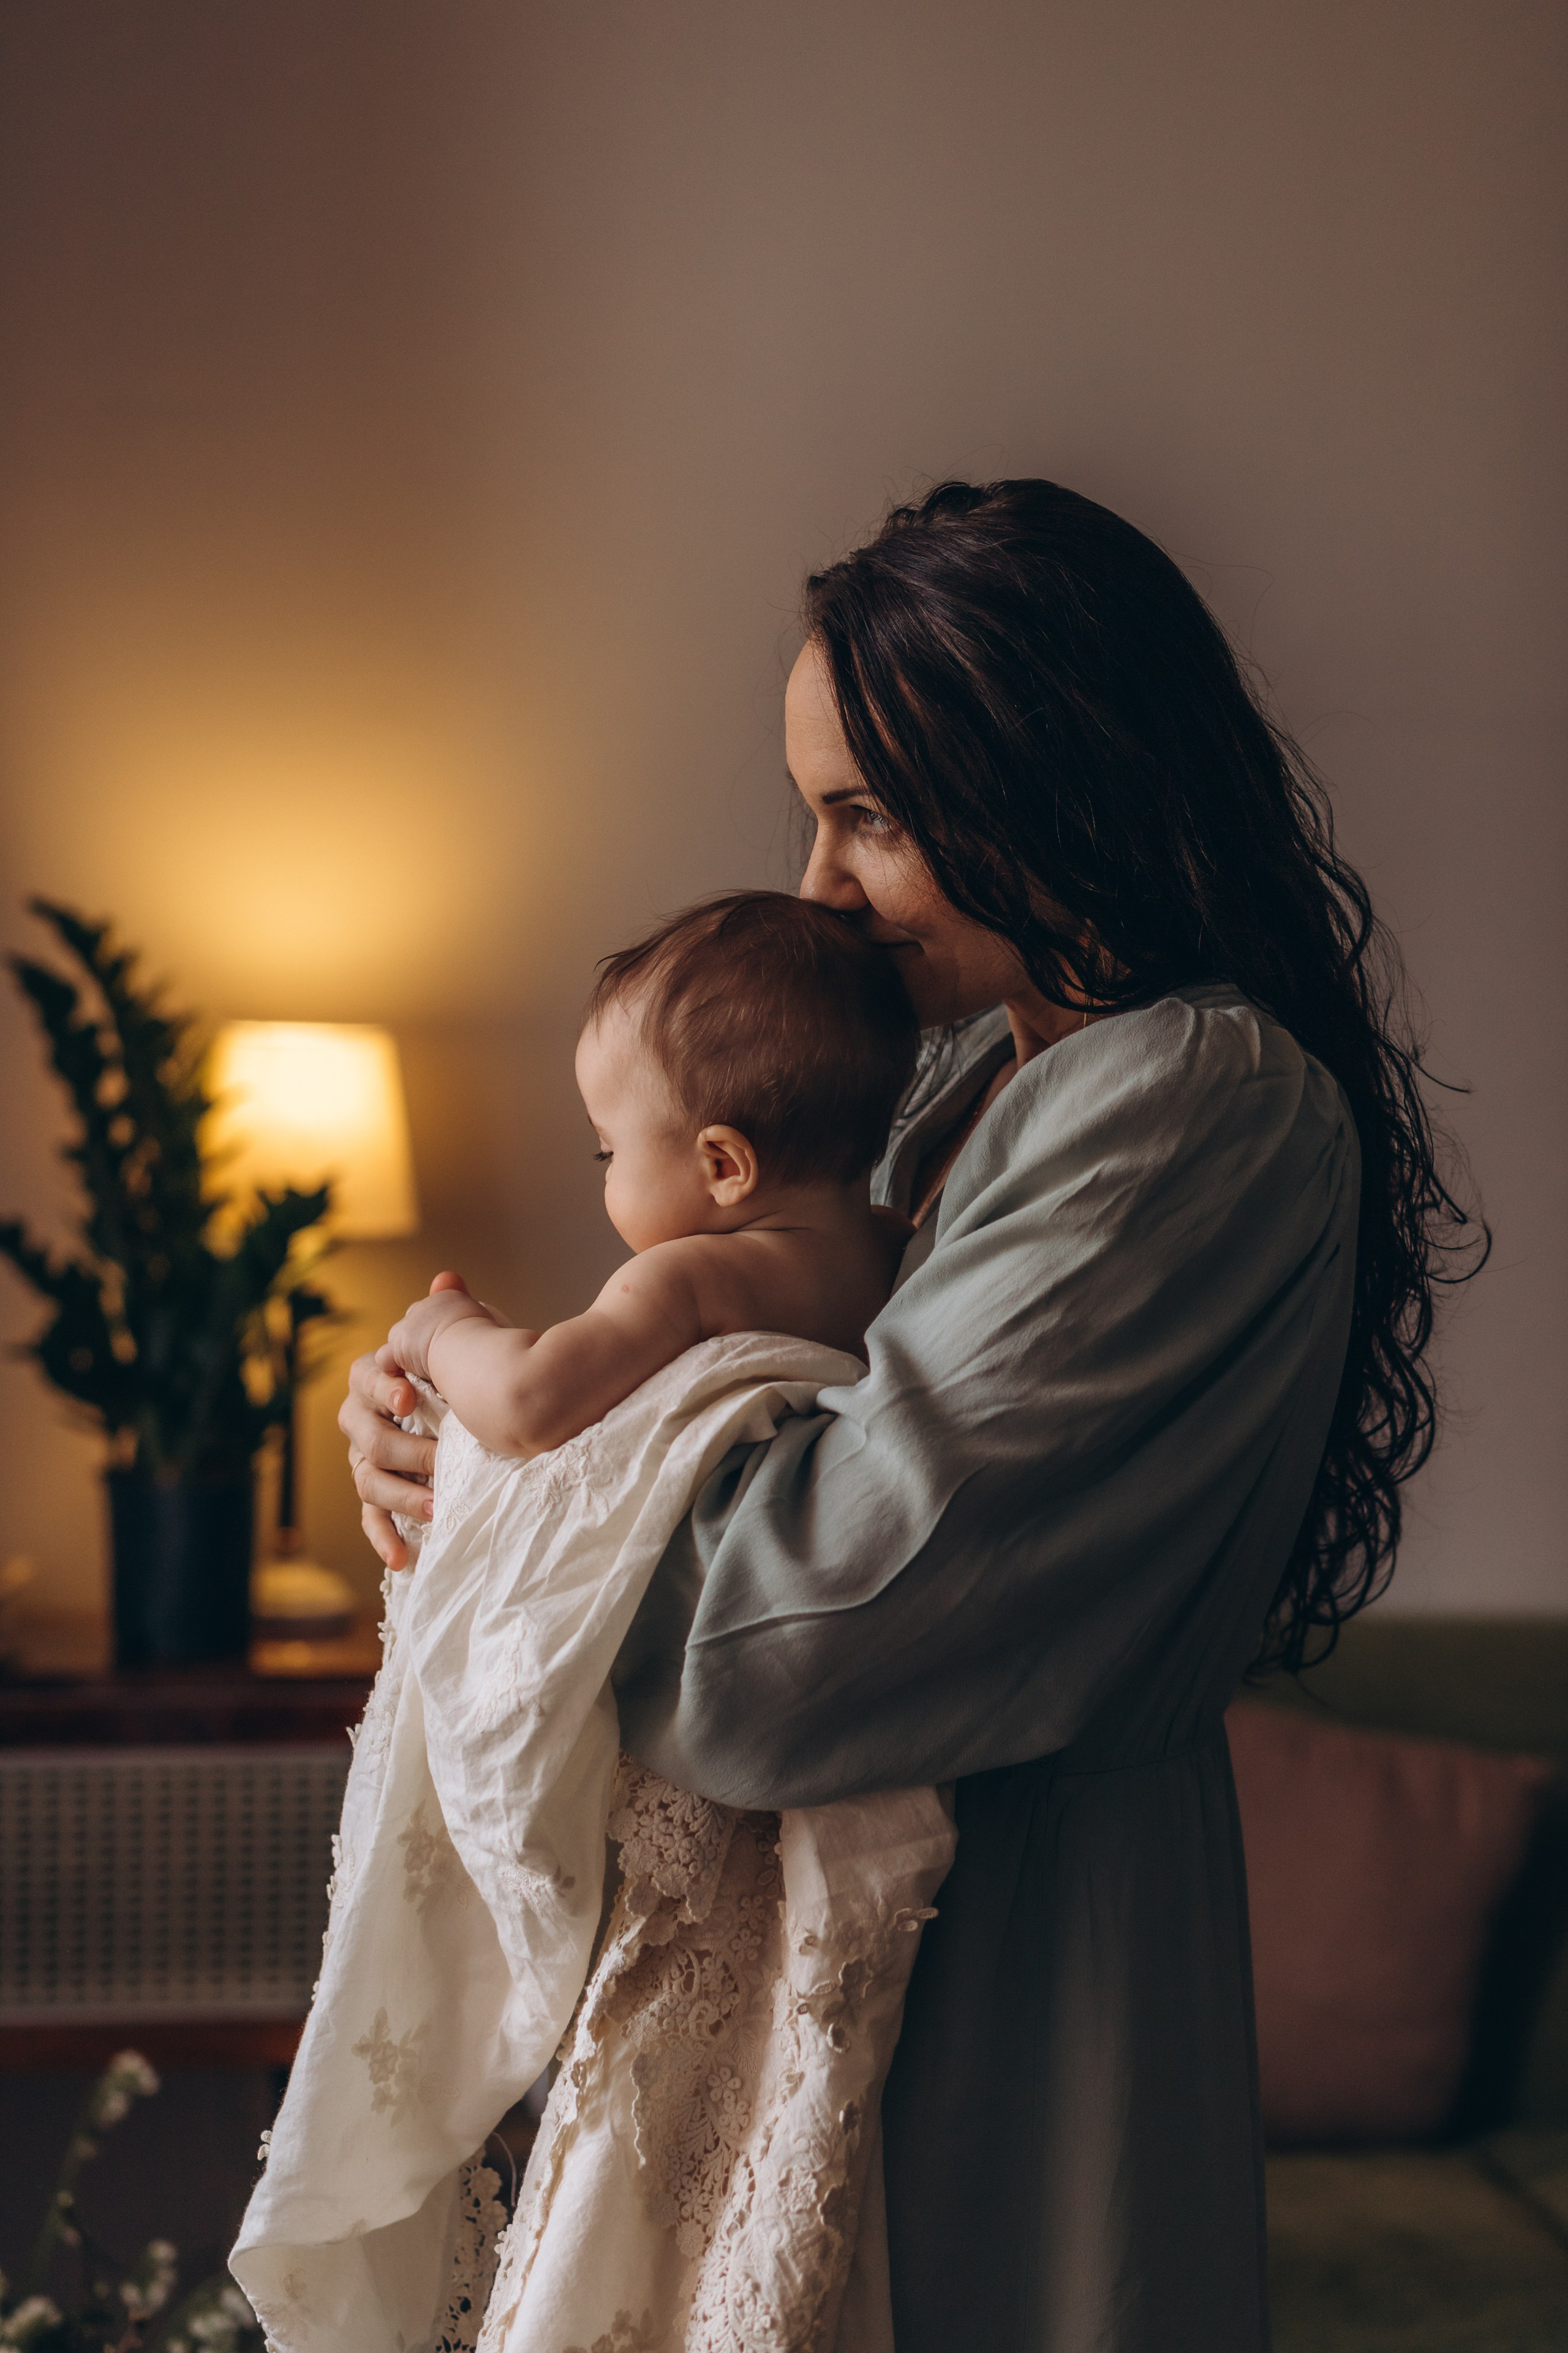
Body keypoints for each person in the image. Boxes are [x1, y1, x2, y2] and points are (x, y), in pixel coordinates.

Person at [342, 480, 1480, 2352]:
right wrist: (442, 1428)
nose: (813, 886)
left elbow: (783, 1647)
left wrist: (495, 1477)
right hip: (868, 1928)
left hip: (1024, 1961)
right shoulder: (956, 1088)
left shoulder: (1191, 1101)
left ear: (1055, 775)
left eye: (865, 813)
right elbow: (710, 1391)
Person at [383, 889, 918, 1446]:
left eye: (608, 1152)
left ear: (723, 1165)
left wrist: (445, 1332)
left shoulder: (689, 1279)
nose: (606, 1174)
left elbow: (525, 1403)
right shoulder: (897, 1244)